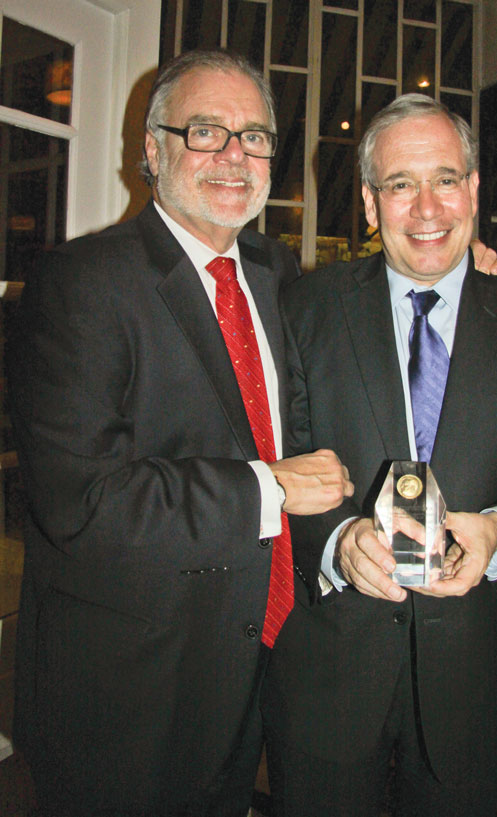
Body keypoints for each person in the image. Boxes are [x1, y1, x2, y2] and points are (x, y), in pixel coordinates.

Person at [8, 49, 356, 817]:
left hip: (248, 667)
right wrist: (271, 487)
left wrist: (459, 271)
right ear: (153, 150)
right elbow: (84, 501)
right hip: (125, 692)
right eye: (207, 130)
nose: (236, 154)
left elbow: (354, 336)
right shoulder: (80, 284)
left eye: (255, 136)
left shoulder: (275, 273)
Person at [262, 94, 497, 817]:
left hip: (478, 676)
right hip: (327, 677)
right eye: (400, 184)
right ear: (368, 200)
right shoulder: (306, 309)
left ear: (475, 188)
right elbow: (276, 459)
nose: (426, 208)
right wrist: (337, 542)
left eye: (445, 179)